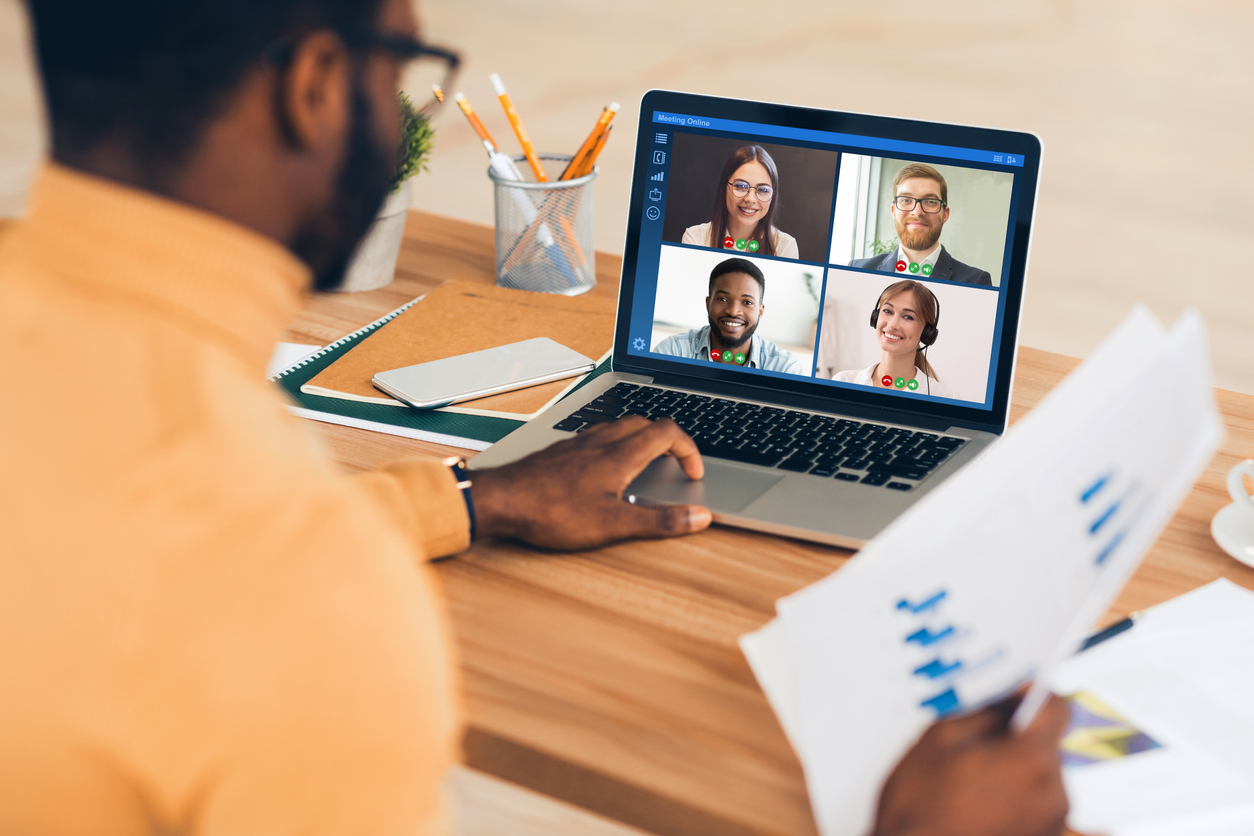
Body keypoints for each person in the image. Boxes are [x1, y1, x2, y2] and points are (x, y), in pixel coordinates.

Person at [0, 0, 1069, 833]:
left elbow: (153, 558)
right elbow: (245, 571)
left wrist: (468, 497)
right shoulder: (310, 598)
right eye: (404, 67)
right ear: (317, 85)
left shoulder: (248, 535)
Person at [652, 257, 805, 374]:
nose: (733, 311)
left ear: (760, 311)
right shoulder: (673, 351)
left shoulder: (785, 368)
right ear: (708, 303)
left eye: (747, 302)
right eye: (723, 299)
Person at [850, 163, 992, 286]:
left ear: (945, 214)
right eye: (906, 200)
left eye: (930, 202)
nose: (917, 212)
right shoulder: (857, 271)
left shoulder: (975, 281)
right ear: (893, 211)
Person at [834, 279, 961, 399]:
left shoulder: (946, 396)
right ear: (875, 317)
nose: (892, 325)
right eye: (887, 311)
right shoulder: (843, 382)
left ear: (927, 332)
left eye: (908, 317)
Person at [682, 144, 800, 259]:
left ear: (773, 196)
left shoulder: (784, 247)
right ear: (724, 188)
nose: (750, 199)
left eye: (763, 190)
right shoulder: (695, 239)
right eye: (741, 186)